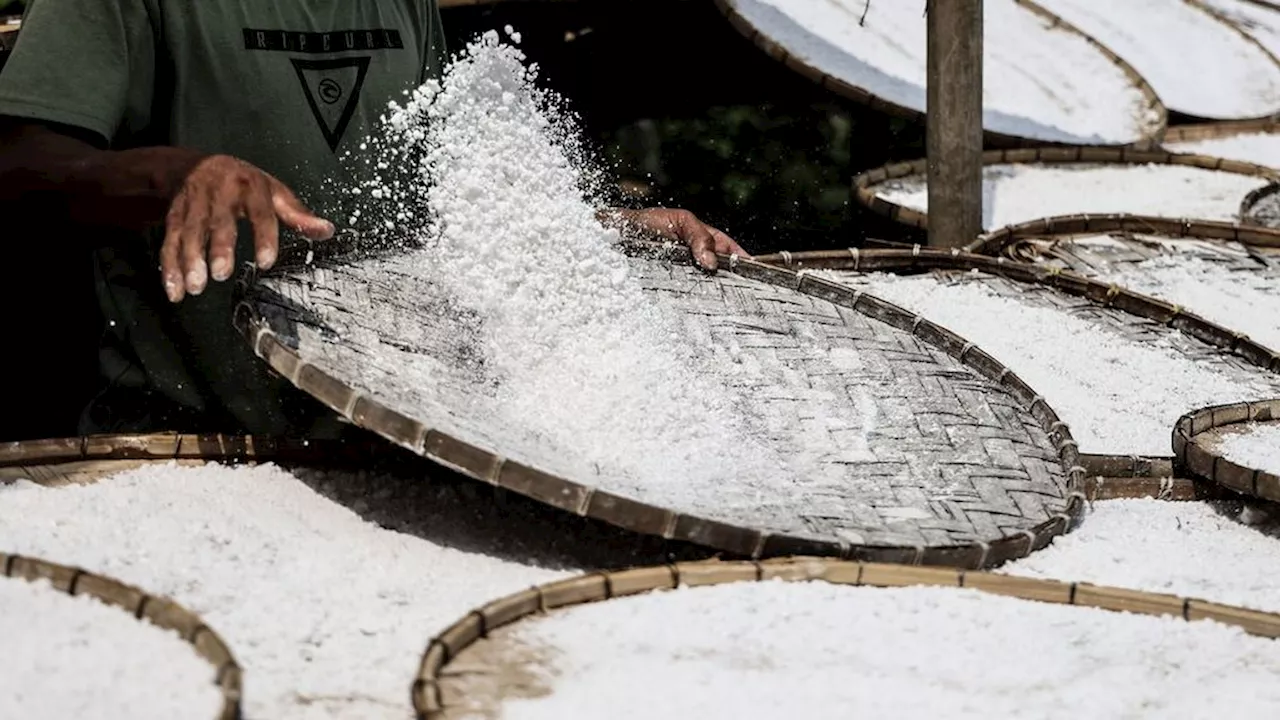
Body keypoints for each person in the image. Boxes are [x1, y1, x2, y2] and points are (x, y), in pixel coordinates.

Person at [0, 0, 747, 438]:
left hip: (387, 434)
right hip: (187, 437)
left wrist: (595, 230)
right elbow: (21, 162)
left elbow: (439, 204)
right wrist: (175, 175)